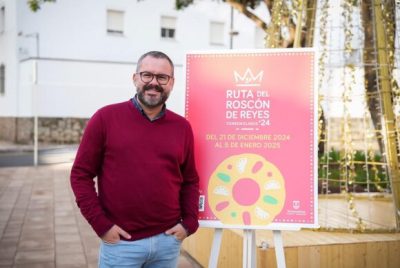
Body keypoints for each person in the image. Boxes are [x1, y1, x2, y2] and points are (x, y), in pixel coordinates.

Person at [70, 51, 199, 268]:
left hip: (167, 242)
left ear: (171, 83)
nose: (153, 83)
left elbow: (190, 180)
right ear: (135, 78)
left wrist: (189, 223)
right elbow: (80, 176)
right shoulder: (105, 118)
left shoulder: (182, 127)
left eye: (162, 77)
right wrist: (101, 225)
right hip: (121, 244)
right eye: (147, 75)